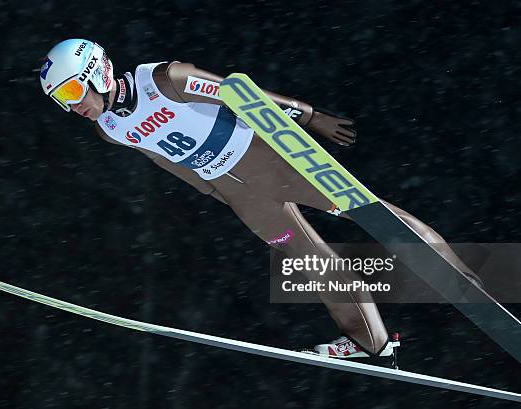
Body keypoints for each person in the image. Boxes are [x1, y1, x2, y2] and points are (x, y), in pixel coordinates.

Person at [39, 38, 481, 358]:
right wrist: (211, 190)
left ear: (98, 72)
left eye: (74, 91)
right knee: (307, 259)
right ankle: (372, 341)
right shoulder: (109, 129)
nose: (73, 106)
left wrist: (308, 116)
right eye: (62, 100)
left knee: (370, 214)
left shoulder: (165, 79)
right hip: (238, 191)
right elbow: (162, 158)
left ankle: (462, 280)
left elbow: (239, 94)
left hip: (270, 162)